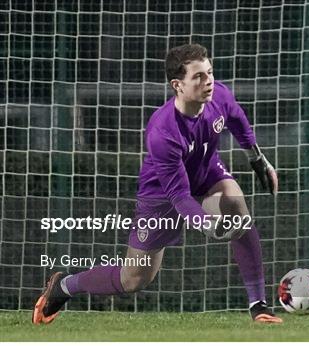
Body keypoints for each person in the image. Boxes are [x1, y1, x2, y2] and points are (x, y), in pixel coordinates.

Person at [32, 44, 283, 324]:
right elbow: (178, 195)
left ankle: (259, 306)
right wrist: (207, 224)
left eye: (210, 73)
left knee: (236, 205)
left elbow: (237, 118)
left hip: (207, 174)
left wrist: (257, 159)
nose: (208, 81)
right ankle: (65, 285)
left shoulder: (219, 96)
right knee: (133, 278)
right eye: (198, 76)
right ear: (177, 85)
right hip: (161, 197)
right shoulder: (163, 130)